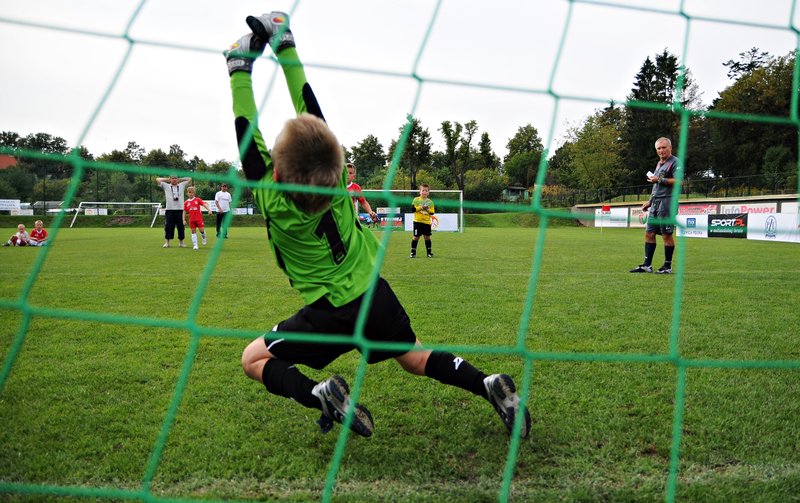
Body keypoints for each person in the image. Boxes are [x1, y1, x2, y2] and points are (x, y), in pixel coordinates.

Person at [227, 12, 531, 439]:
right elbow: (310, 111)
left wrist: (240, 66)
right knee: (415, 357)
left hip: (327, 314)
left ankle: (320, 393)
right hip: (373, 294)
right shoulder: (337, 184)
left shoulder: (272, 198)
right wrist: (285, 45)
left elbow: (247, 131)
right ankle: (485, 383)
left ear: (276, 174)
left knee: (252, 360)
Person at [630, 137, 682, 274]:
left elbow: (679, 182)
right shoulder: (659, 164)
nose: (661, 150)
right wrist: (649, 201)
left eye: (664, 147)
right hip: (656, 202)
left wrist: (659, 179)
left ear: (670, 147)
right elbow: (656, 186)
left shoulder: (675, 162)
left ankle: (667, 266)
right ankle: (647, 265)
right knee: (649, 233)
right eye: (658, 148)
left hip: (667, 202)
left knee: (666, 234)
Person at [156, 174, 192, 248]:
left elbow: (189, 179)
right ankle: (167, 243)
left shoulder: (181, 185)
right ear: (170, 179)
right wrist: (167, 179)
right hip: (169, 210)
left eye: (175, 178)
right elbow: (157, 179)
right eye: (173, 178)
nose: (174, 179)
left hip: (180, 210)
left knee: (181, 227)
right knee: (168, 226)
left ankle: (181, 242)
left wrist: (180, 179)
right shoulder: (166, 185)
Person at [410, 183, 435, 258]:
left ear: (428, 192)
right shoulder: (416, 200)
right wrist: (421, 207)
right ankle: (413, 253)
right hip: (417, 222)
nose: (424, 192)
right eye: (423, 190)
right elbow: (413, 209)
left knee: (427, 237)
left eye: (426, 191)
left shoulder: (430, 202)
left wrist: (427, 209)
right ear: (420, 192)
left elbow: (432, 212)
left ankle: (429, 253)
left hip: (426, 222)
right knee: (416, 237)